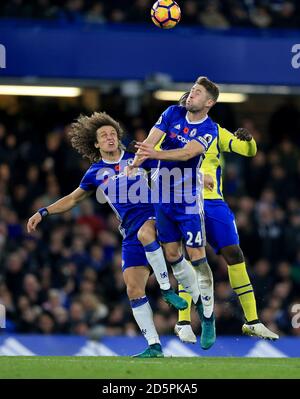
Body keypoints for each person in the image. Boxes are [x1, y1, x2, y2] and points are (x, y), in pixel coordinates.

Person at [27, 111, 188, 358]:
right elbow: (73, 199)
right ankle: (154, 346)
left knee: (148, 233)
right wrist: (44, 211)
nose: (110, 138)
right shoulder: (95, 172)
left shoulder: (138, 159)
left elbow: (169, 169)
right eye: (104, 135)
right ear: (96, 143)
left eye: (113, 134)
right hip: (130, 231)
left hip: (154, 218)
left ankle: (167, 289)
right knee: (134, 289)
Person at [173, 91, 279, 342]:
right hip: (185, 200)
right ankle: (184, 322)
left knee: (235, 253)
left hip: (214, 202)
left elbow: (248, 151)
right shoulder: (168, 135)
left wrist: (250, 140)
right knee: (190, 257)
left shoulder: (215, 132)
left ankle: (252, 321)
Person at [129, 77, 221, 350]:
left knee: (198, 258)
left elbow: (186, 154)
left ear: (209, 102)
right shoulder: (172, 113)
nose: (192, 95)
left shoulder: (209, 129)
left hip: (188, 201)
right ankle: (179, 294)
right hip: (162, 197)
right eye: (192, 90)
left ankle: (207, 317)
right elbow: (150, 141)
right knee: (171, 254)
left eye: (198, 93)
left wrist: (154, 155)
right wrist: (136, 164)